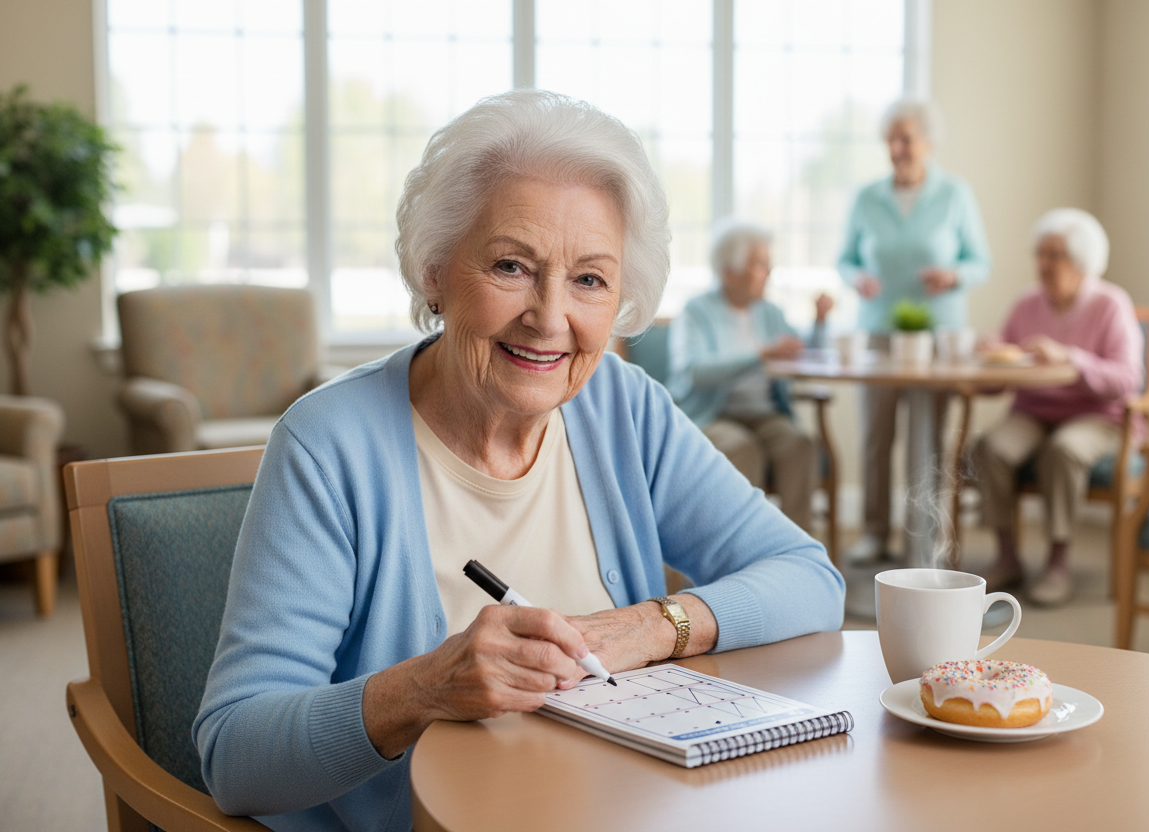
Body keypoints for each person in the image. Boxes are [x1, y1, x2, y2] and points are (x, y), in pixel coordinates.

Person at [193, 90, 845, 831]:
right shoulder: (329, 445)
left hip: (616, 809)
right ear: (435, 269)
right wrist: (423, 689)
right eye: (511, 265)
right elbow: (235, 755)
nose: (549, 317)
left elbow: (810, 579)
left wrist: (648, 626)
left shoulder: (623, 408)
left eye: (590, 279)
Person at [836, 95, 991, 563]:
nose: (897, 149)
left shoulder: (955, 194)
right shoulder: (868, 197)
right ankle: (874, 533)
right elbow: (845, 259)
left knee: (927, 438)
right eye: (890, 140)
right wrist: (856, 278)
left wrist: (955, 276)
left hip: (935, 336)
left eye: (905, 139)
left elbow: (980, 261)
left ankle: (921, 542)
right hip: (878, 333)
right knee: (875, 438)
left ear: (927, 143)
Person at [971, 208, 1142, 605]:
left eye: (1055, 255)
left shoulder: (1111, 304)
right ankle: (1007, 556)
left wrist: (1070, 357)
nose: (1043, 264)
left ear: (1082, 263)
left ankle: (1058, 562)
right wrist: (990, 359)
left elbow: (1127, 379)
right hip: (1033, 410)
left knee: (1063, 451)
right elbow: (1001, 379)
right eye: (1040, 254)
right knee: (990, 449)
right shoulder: (1026, 303)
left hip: (1095, 416)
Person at [667, 219, 834, 533]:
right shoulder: (696, 311)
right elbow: (692, 370)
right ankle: (743, 550)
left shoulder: (769, 312)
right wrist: (760, 355)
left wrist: (820, 322)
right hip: (711, 414)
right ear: (729, 271)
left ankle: (797, 555)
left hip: (765, 414)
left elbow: (803, 351)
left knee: (799, 445)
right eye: (759, 264)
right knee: (742, 448)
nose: (768, 272)